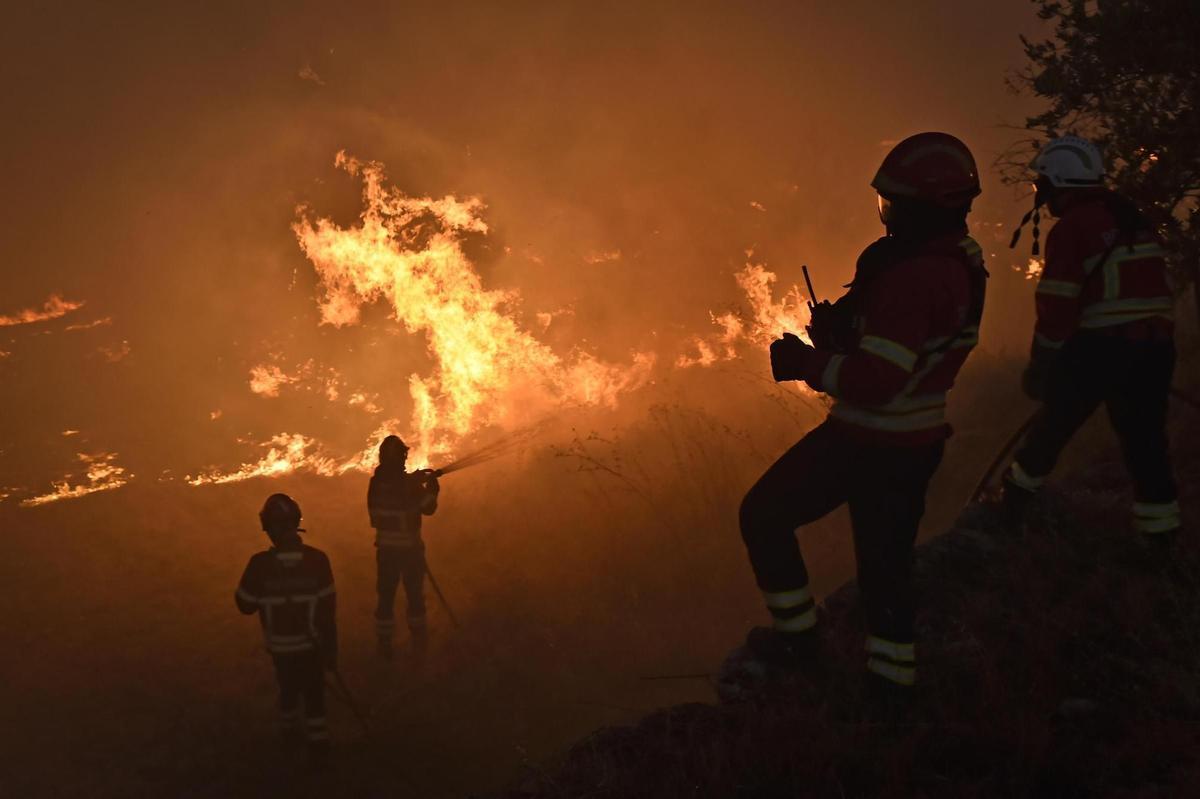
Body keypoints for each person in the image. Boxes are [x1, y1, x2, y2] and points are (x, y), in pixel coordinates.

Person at [740, 132, 987, 700]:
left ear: (928, 207)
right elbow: (904, 349)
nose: (887, 216)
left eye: (895, 204)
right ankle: (892, 688)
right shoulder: (958, 260)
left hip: (871, 442)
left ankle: (801, 645)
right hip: (913, 441)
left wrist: (808, 362)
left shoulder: (913, 276)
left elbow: (877, 382)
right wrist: (843, 333)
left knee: (764, 515)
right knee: (885, 568)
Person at [1002, 135, 1179, 537]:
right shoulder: (1132, 217)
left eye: (1042, 185)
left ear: (1059, 183)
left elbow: (1056, 305)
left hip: (1101, 348)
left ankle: (1010, 510)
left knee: (1052, 430)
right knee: (1146, 445)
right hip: (1156, 348)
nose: (1041, 195)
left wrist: (1042, 364)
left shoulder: (1073, 228)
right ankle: (1161, 535)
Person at [236, 493, 337, 760]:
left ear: (268, 528)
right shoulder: (318, 560)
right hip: (312, 646)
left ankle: (289, 740)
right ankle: (320, 751)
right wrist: (331, 651)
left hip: (281, 648)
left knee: (288, 691)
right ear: (296, 522)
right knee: (315, 695)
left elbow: (244, 605)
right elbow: (328, 612)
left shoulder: (259, 565)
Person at [368, 435, 440, 657]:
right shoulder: (410, 485)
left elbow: (374, 517)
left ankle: (384, 645)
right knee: (415, 598)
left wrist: (414, 481)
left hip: (386, 552)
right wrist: (432, 490)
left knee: (386, 598)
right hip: (410, 552)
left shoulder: (376, 484)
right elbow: (427, 509)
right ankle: (419, 645)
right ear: (401, 457)